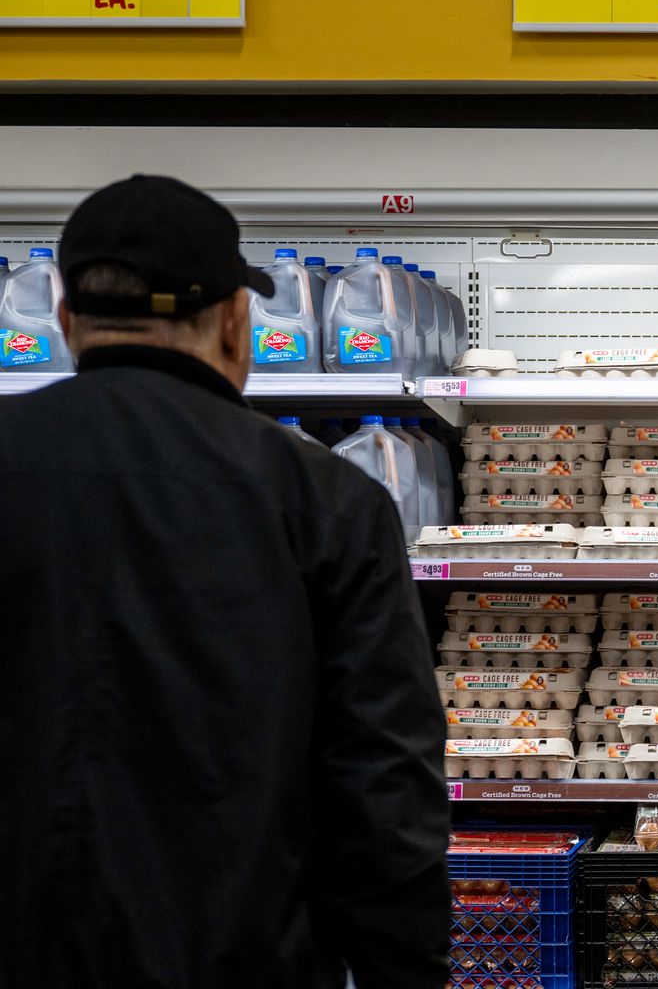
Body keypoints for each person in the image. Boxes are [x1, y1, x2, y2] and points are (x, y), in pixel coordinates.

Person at [0, 176, 449, 988]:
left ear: (66, 323)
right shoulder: (328, 499)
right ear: (239, 324)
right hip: (237, 957)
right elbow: (383, 787)